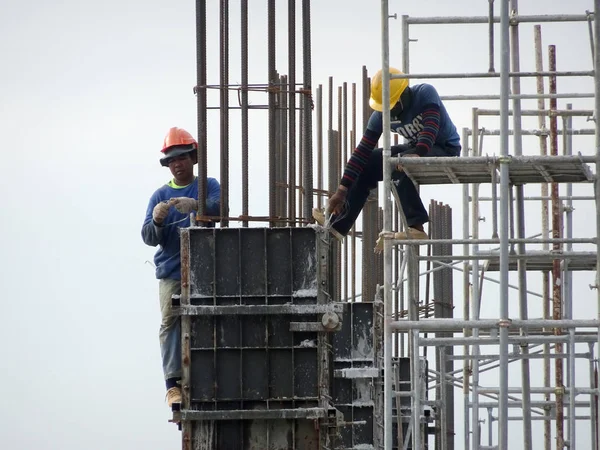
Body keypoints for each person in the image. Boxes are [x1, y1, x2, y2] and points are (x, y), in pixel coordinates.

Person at [315, 67, 461, 243]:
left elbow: (431, 126)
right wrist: (341, 190)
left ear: (402, 96)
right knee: (367, 163)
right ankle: (339, 225)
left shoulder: (425, 93)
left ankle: (416, 227)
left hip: (445, 148)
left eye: (391, 106)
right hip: (415, 148)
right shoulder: (380, 116)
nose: (388, 112)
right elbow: (362, 152)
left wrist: (419, 154)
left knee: (399, 163)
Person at [141, 127, 221, 408]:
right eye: (172, 160)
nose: (177, 164)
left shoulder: (208, 185)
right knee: (170, 323)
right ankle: (173, 386)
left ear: (192, 158)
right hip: (172, 271)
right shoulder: (159, 195)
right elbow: (149, 238)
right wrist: (158, 221)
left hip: (207, 269)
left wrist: (197, 205)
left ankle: (213, 375)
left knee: (211, 318)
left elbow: (221, 209)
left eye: (182, 158)